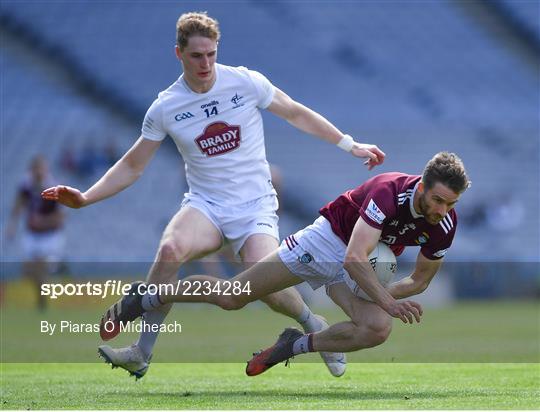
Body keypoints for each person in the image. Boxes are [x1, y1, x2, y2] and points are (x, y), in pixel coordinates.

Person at [41, 11, 385, 378]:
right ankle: (142, 353)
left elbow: (295, 113)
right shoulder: (166, 106)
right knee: (171, 249)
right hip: (205, 205)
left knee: (264, 284)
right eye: (196, 56)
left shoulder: (245, 82)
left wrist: (350, 144)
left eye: (211, 54)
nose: (205, 63)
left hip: (255, 207)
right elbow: (132, 165)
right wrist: (86, 197)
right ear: (178, 54)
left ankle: (310, 321)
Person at [102, 152, 469, 376]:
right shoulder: (388, 192)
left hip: (361, 261)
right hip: (326, 242)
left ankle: (292, 346)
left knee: (376, 328)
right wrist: (387, 299)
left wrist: (384, 293)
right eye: (437, 200)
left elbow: (420, 280)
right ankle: (148, 297)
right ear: (421, 186)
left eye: (449, 204)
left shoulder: (445, 224)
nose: (441, 211)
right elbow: (353, 257)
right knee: (234, 296)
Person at [6, 156, 65, 311]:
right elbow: (19, 203)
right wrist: (12, 225)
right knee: (28, 271)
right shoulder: (26, 185)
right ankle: (43, 293)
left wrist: (43, 221)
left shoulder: (53, 188)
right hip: (31, 235)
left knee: (40, 268)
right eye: (35, 170)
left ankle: (43, 300)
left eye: (41, 170)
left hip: (49, 236)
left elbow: (60, 217)